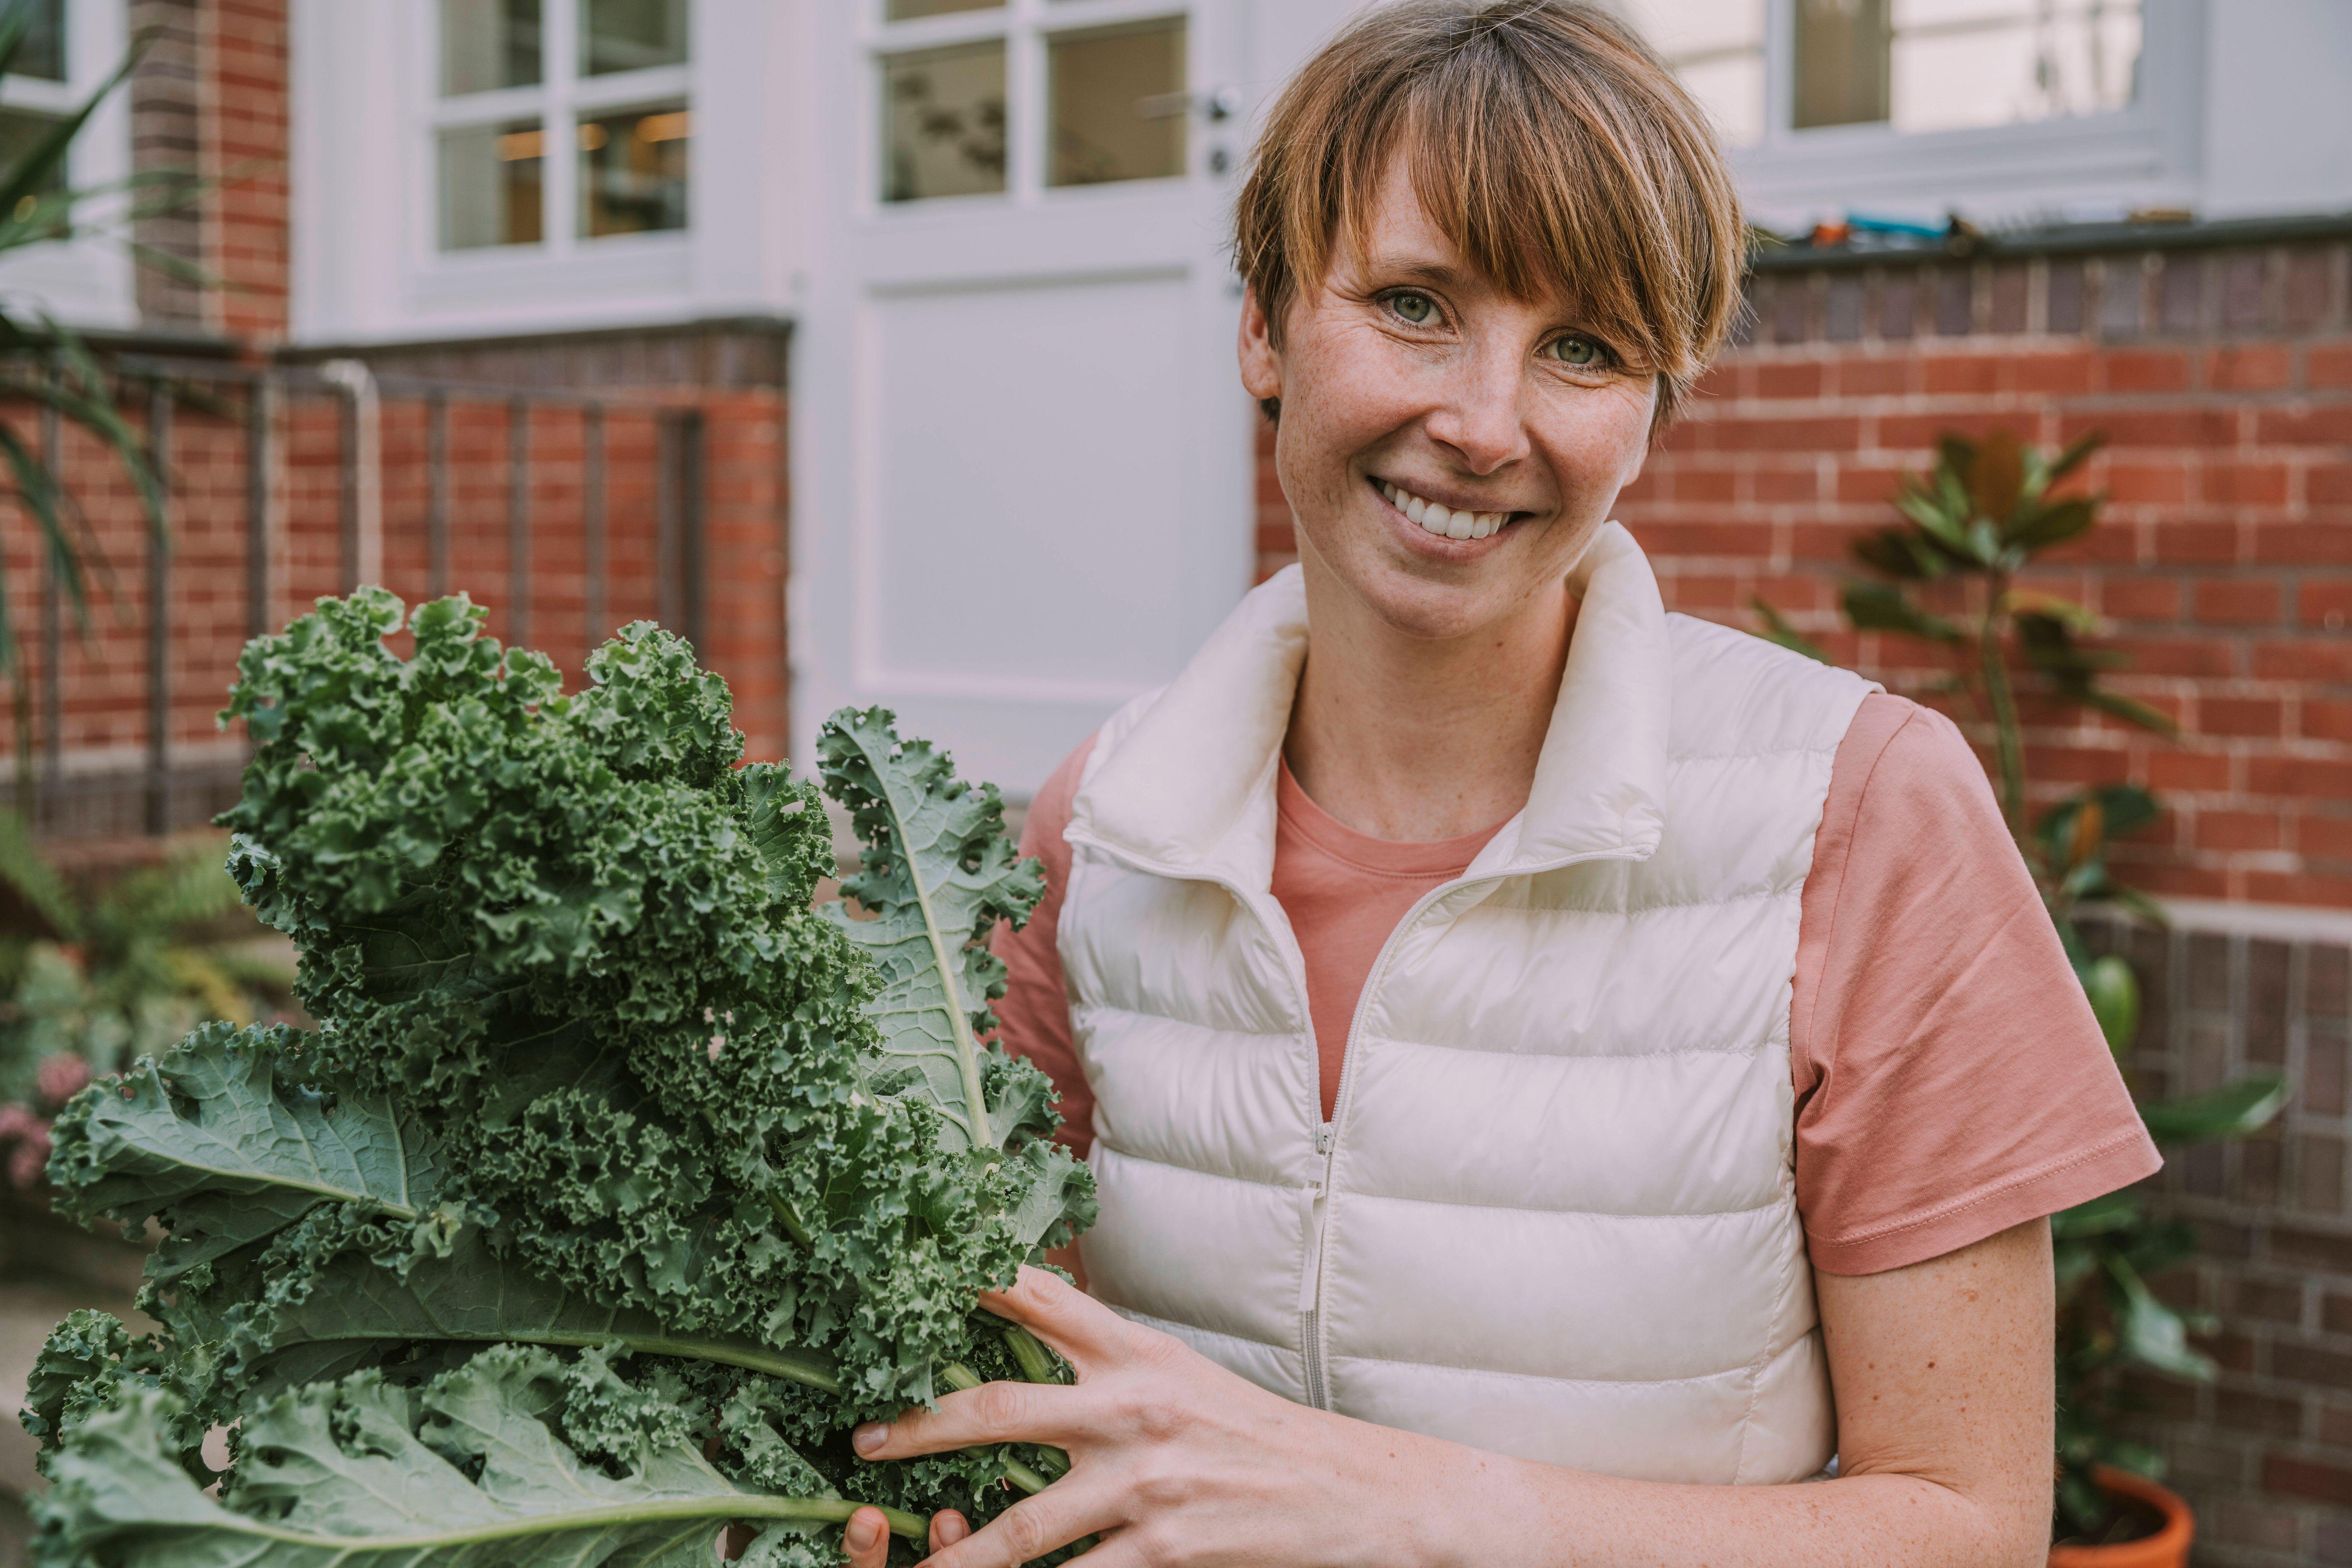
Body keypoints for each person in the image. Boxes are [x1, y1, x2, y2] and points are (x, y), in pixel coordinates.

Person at [843, 2, 2158, 1563]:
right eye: (1413, 305)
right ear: (1263, 325)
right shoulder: (1101, 828)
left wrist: (1392, 1505)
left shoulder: (1858, 815)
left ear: (1651, 411)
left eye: (1585, 349)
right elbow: (1026, 1397)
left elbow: (1973, 1526)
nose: (1483, 424)